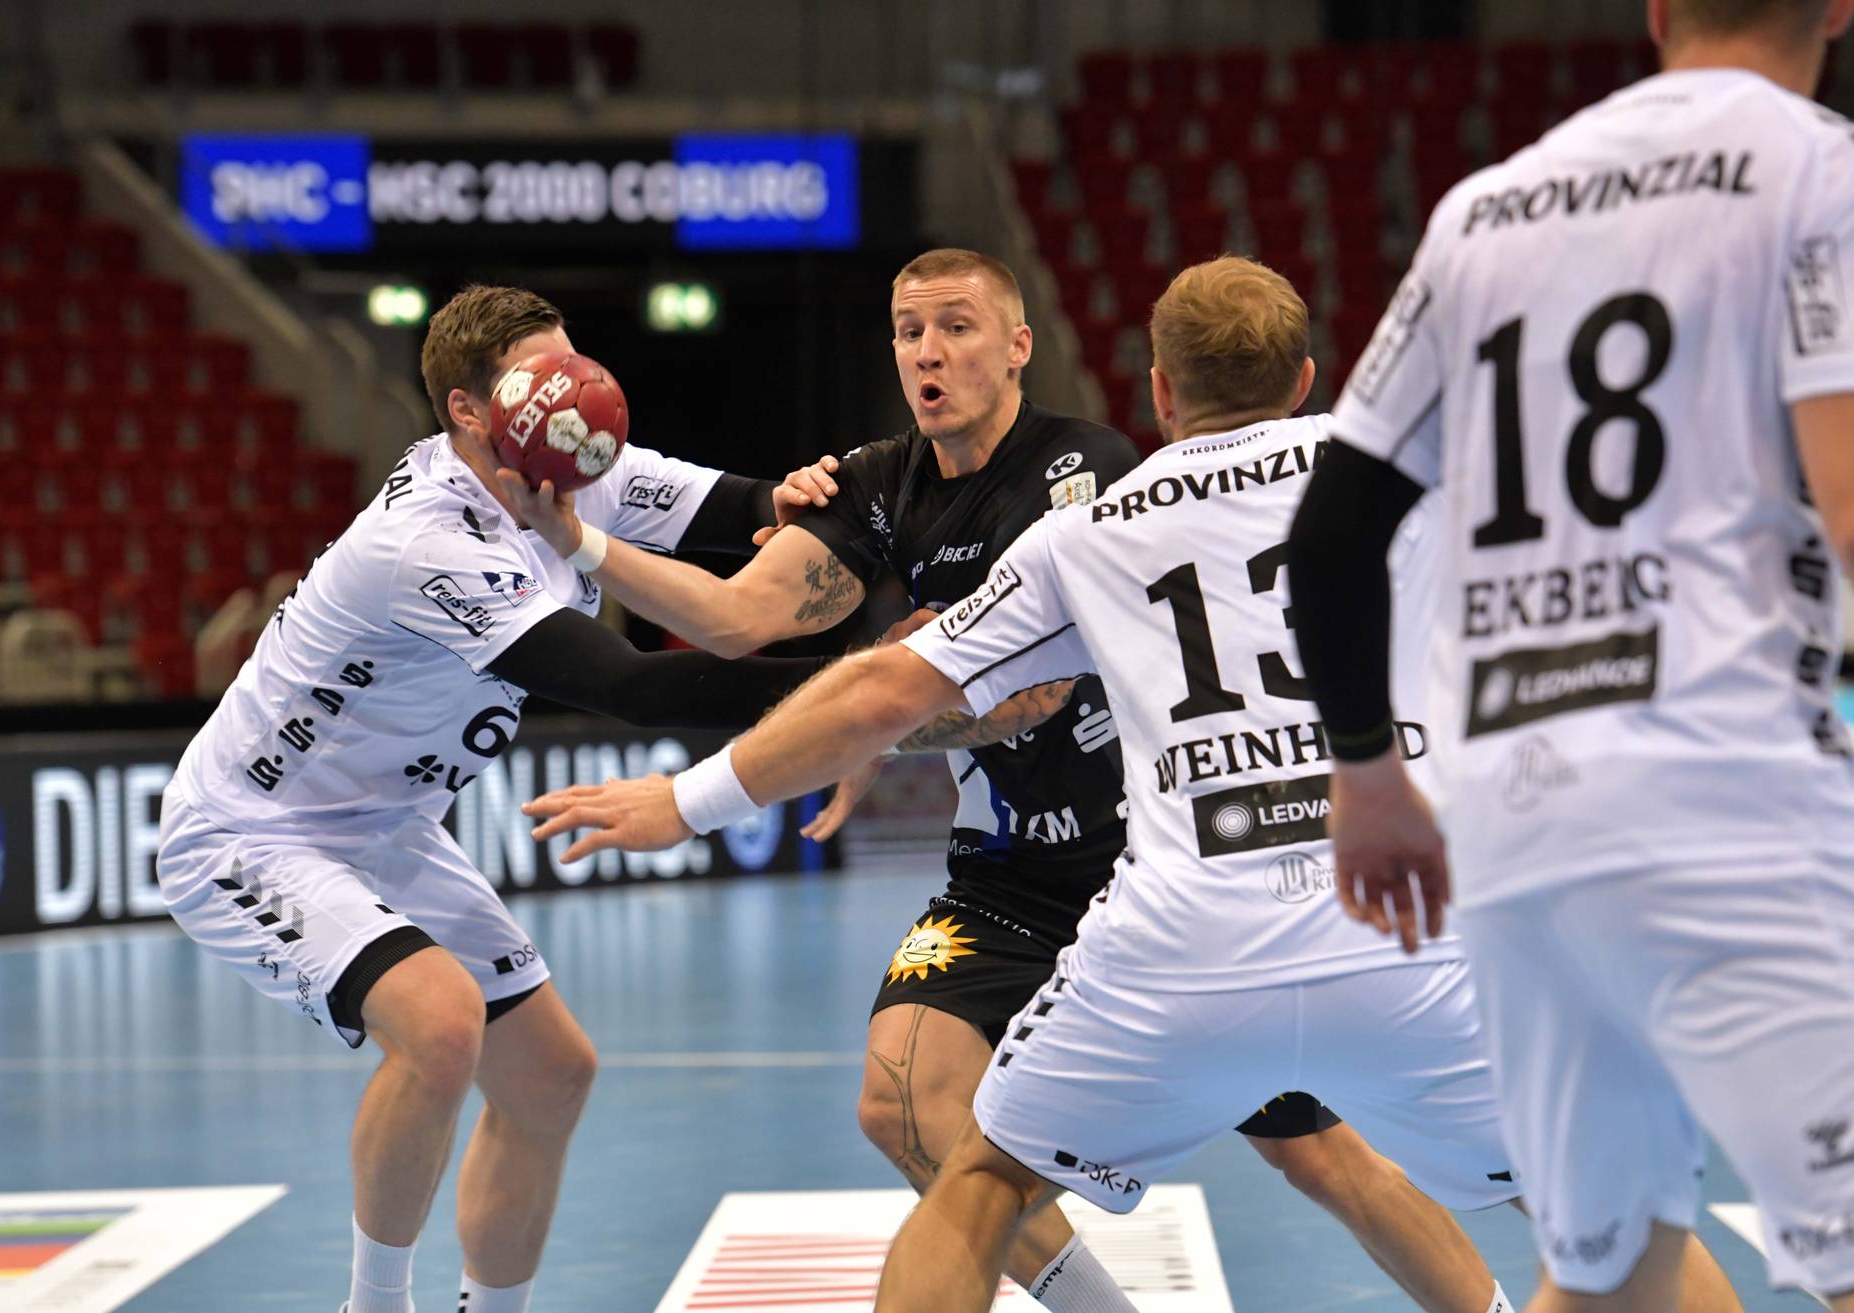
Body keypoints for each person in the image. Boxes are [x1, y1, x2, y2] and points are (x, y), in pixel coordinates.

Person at [523, 256, 1741, 1312]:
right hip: (1397, 918)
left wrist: (686, 801)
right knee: (1612, 1197)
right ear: (1308, 379)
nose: (929, 351)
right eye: (911, 330)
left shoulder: (1094, 521)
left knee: (981, 1183)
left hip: (1180, 934)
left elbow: (880, 690)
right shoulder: (1405, 472)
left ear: (1159, 392)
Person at [1284, 0, 1854, 1309]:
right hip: (1730, 801)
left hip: (1516, 833)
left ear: (1655, 11)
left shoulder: (1485, 213)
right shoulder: (1820, 172)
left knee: (1610, 1272)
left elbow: (1334, 531)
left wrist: (1367, 774)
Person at [157, 284, 831, 1313]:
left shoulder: (570, 460)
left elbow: (748, 510)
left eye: (577, 363)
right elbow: (632, 686)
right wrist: (874, 690)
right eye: (542, 379)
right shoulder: (426, 539)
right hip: (252, 830)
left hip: (387, 827)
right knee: (439, 1023)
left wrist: (823, 496)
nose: (578, 393)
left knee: (551, 1074)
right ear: (470, 410)